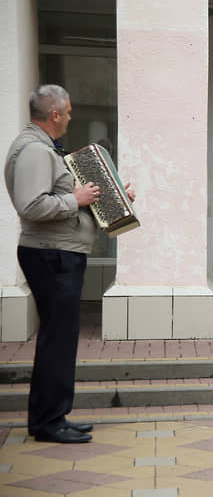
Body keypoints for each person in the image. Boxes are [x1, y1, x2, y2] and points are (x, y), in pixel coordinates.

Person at [4, 84, 136, 443]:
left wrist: (112, 196)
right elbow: (31, 206)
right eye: (69, 111)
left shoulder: (44, 149)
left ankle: (55, 415)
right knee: (57, 340)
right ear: (55, 114)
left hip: (58, 253)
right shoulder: (34, 150)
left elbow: (61, 197)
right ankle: (49, 422)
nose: (71, 117)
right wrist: (75, 199)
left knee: (59, 339)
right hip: (52, 254)